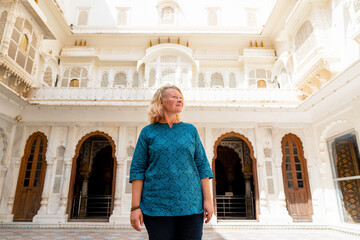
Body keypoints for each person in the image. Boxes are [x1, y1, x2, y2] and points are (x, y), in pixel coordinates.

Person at [129, 85, 214, 240]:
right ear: (161, 102)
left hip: (191, 205)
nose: (179, 99)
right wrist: (135, 207)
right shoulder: (148, 132)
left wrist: (208, 200)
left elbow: (202, 166)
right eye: (174, 96)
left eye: (180, 96)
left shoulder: (190, 130)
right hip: (156, 205)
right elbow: (138, 170)